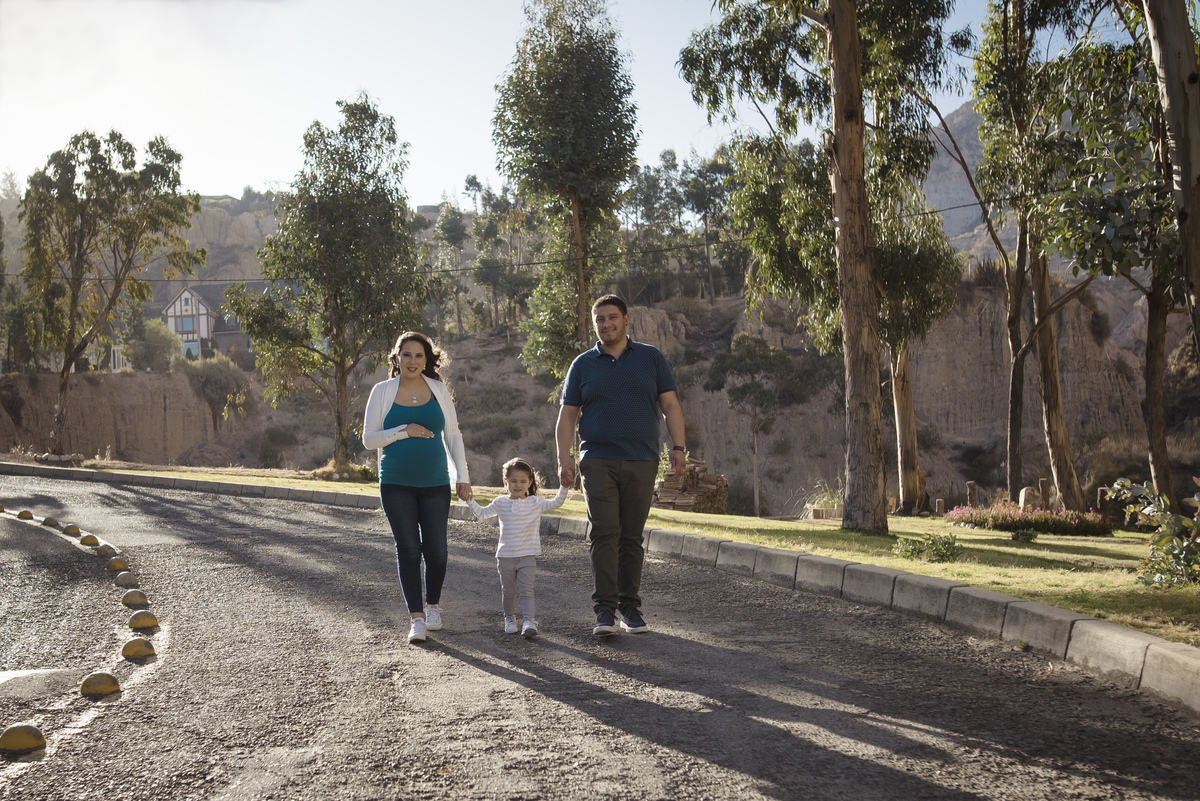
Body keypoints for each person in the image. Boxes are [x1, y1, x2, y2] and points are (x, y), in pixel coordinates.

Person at [556, 294, 686, 636]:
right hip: (597, 459)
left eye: (612, 317)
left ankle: (630, 608)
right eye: (599, 319)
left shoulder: (651, 358)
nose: (606, 324)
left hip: (643, 459)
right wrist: (564, 457)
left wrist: (679, 447)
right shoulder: (582, 364)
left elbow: (670, 406)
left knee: (631, 536)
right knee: (604, 532)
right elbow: (567, 415)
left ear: (626, 319)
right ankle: (604, 611)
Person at [363, 331, 472, 644]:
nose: (412, 361)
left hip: (436, 482)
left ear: (428, 360)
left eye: (419, 355)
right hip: (395, 483)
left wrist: (462, 477)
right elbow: (369, 439)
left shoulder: (438, 390)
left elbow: (453, 436)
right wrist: (403, 431)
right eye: (406, 355)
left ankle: (433, 604)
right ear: (396, 358)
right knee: (409, 550)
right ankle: (417, 619)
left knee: (437, 551)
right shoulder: (382, 392)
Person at [468, 458, 569, 638]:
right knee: (508, 592)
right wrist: (469, 499)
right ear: (505, 482)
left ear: (530, 482)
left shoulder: (536, 502)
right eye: (513, 481)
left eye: (523, 481)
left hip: (527, 556)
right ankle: (509, 618)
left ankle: (529, 621)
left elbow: (556, 503)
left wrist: (564, 486)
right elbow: (482, 514)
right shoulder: (500, 502)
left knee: (527, 590)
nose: (518, 485)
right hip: (505, 556)